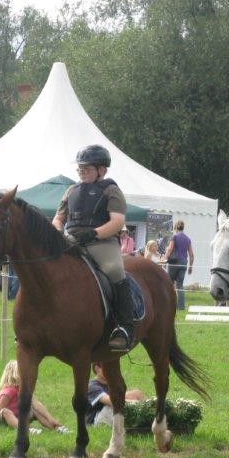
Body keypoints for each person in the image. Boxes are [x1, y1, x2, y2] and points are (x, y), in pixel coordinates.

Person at [52, 144, 135, 351]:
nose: (82, 172)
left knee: (115, 271)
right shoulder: (71, 191)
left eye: (87, 168)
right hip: (71, 241)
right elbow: (59, 218)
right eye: (80, 168)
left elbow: (117, 222)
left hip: (101, 242)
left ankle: (124, 327)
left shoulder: (111, 190)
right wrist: (58, 232)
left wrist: (93, 233)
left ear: (102, 170)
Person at [0, 360, 69, 433]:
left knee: (34, 410)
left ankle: (57, 428)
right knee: (5, 411)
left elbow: (37, 404)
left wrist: (51, 419)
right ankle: (27, 430)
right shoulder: (8, 392)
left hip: (16, 417)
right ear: (14, 375)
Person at [165, 220, 195, 311]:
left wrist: (165, 258)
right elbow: (191, 255)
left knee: (169, 283)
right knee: (180, 285)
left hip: (174, 263)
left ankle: (170, 304)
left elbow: (170, 249)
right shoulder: (187, 239)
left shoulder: (174, 237)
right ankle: (181, 306)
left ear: (175, 228)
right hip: (183, 263)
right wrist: (190, 267)